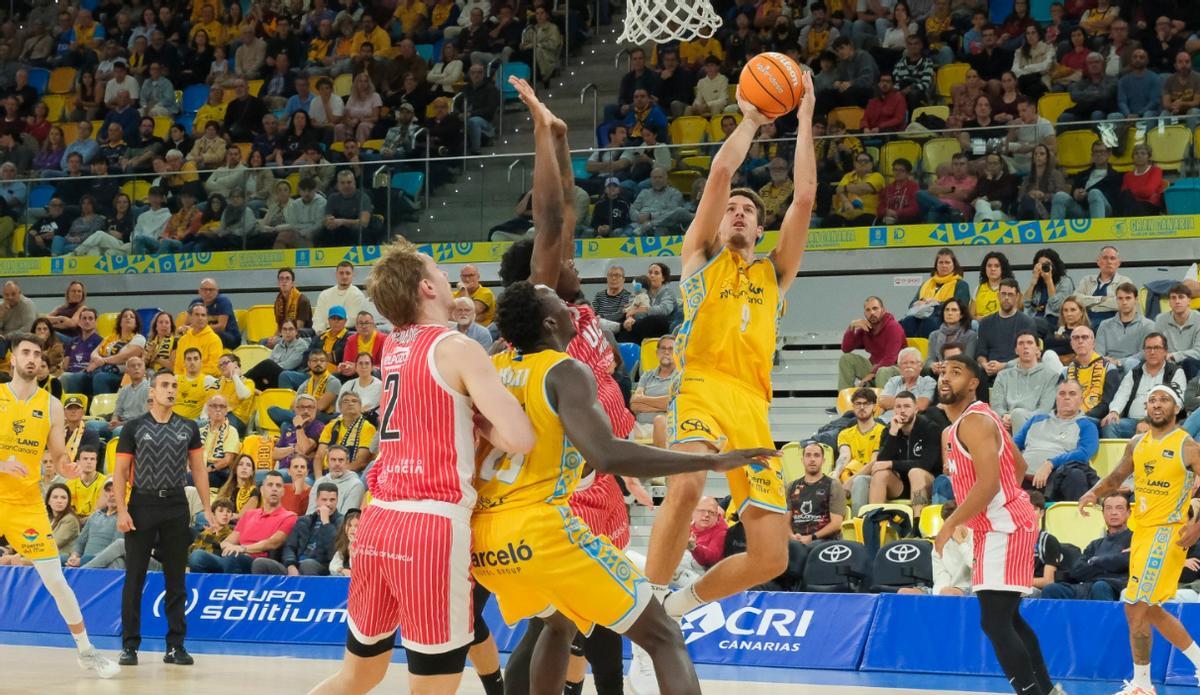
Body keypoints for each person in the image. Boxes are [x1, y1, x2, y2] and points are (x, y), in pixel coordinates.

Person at [477, 280, 775, 693]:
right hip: (539, 530)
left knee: (560, 623)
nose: (571, 309)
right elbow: (608, 455)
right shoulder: (563, 370)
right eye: (560, 305)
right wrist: (710, 460)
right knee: (664, 634)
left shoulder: (493, 368)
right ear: (549, 322)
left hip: (486, 542)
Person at [616, 65, 813, 687]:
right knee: (689, 477)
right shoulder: (699, 260)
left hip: (753, 406)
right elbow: (722, 173)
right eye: (729, 209)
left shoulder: (775, 274)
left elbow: (804, 198)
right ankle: (647, 619)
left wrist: (805, 116)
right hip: (699, 385)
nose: (736, 212)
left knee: (771, 556)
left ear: (759, 227)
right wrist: (753, 121)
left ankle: (677, 606)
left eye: (747, 212)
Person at [309, 238, 535, 695]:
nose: (449, 278)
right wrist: (481, 418)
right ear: (427, 289)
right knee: (432, 686)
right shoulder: (457, 347)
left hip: (376, 522)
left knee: (358, 675)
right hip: (430, 527)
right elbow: (520, 438)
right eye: (439, 271)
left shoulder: (393, 345)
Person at [0, 333, 120, 678]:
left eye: (37, 353)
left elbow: (58, 454)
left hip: (25, 503)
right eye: (25, 352)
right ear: (13, 359)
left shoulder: (51, 405)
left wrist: (67, 466)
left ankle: (86, 651)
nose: (32, 358)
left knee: (55, 579)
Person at [934, 356, 1053, 695]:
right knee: (1009, 618)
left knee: (995, 621)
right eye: (944, 371)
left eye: (957, 373)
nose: (946, 378)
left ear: (974, 383)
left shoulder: (974, 422)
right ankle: (1045, 691)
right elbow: (1017, 465)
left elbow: (987, 485)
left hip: (1005, 526)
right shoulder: (960, 426)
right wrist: (997, 506)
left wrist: (951, 524)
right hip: (996, 525)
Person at [1079, 382, 1200, 695]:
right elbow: (1118, 477)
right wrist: (1093, 492)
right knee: (1152, 609)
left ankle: (1143, 685)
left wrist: (1198, 525)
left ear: (1176, 408)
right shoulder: (1136, 442)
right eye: (1151, 400)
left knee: (1135, 605)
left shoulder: (1187, 445)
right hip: (1143, 532)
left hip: (1168, 532)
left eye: (1163, 400)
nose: (1156, 404)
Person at [113, 369, 212, 667]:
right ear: (152, 392)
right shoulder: (133, 427)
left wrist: (207, 507)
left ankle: (175, 646)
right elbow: (119, 472)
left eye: (174, 386)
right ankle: (129, 646)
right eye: (165, 385)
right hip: (141, 503)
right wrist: (121, 509)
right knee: (134, 577)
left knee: (176, 578)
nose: (171, 390)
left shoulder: (188, 427)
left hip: (175, 504)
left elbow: (198, 469)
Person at [188, 471, 297, 574]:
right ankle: (209, 592)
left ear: (283, 492)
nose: (274, 489)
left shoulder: (289, 516)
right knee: (197, 557)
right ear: (262, 490)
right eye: (270, 485)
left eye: (278, 486)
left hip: (259, 562)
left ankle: (230, 591)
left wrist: (243, 549)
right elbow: (227, 542)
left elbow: (273, 542)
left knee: (232, 557)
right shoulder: (249, 514)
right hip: (234, 557)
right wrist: (230, 547)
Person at [1015, 380, 1100, 502]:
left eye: (1072, 394)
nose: (1066, 397)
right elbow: (1012, 446)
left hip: (1056, 479)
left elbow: (1083, 454)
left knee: (1076, 475)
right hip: (1022, 477)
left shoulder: (1087, 426)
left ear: (1081, 400)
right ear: (1056, 398)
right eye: (1062, 393)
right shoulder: (1036, 420)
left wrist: (1050, 464)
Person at [861, 391, 943, 516]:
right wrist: (893, 433)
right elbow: (882, 461)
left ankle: (917, 523)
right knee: (880, 474)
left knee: (915, 472)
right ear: (894, 409)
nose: (902, 410)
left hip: (927, 481)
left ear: (916, 409)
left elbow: (926, 464)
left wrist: (892, 464)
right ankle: (874, 523)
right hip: (901, 485)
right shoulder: (889, 429)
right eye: (898, 407)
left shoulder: (930, 428)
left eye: (907, 406)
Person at [1040, 494, 1131, 601]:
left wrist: (1095, 561)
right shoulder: (1095, 544)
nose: (1113, 512)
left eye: (1119, 508)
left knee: (1100, 586)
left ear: (1129, 513)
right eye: (1108, 508)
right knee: (1052, 589)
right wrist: (1108, 563)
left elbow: (1126, 561)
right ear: (1103, 513)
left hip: (1116, 586)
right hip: (1088, 585)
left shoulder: (1136, 539)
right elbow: (1077, 571)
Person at [1101, 333, 1187, 438]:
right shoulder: (1135, 372)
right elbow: (1122, 395)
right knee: (1109, 424)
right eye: (1148, 348)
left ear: (1165, 351)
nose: (1152, 352)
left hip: (1161, 422)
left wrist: (1150, 421)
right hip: (1132, 422)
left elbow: (1178, 403)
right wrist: (1114, 411)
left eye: (1157, 348)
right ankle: (1118, 455)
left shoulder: (1175, 372)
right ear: (1144, 351)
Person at [253, 481, 342, 575]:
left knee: (307, 564)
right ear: (317, 500)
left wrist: (326, 523)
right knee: (260, 563)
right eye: (324, 500)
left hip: (321, 568)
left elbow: (333, 553)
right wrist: (291, 565)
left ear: (337, 501)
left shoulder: (342, 522)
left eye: (332, 500)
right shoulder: (304, 521)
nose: (328, 504)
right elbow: (289, 546)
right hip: (295, 567)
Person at [991, 332, 1059, 434]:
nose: (1025, 346)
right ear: (1016, 350)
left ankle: (1019, 449)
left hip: (1036, 424)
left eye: (1030, 343)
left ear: (1037, 349)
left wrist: (1015, 418)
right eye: (1021, 343)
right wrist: (1004, 416)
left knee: (1018, 414)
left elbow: (1045, 409)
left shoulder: (1051, 376)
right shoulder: (1003, 375)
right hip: (1005, 423)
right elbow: (996, 405)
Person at [900, 248, 972, 338]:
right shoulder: (926, 284)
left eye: (947, 262)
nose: (944, 266)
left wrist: (936, 303)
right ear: (936, 265)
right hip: (921, 315)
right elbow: (911, 305)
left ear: (954, 265)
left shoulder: (961, 284)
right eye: (941, 262)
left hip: (943, 317)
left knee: (929, 322)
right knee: (907, 322)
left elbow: (961, 306)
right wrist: (920, 302)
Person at [837, 296, 906, 389]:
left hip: (895, 368)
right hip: (875, 367)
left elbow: (890, 358)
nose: (872, 313)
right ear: (864, 313)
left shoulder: (893, 327)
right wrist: (851, 327)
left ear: (883, 309)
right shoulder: (866, 327)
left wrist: (870, 375)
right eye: (868, 310)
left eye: (875, 308)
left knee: (882, 371)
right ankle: (845, 400)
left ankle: (882, 403)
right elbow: (846, 348)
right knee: (846, 359)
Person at [976, 279, 1037, 380]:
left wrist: (1003, 366)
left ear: (1017, 297)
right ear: (998, 296)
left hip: (1018, 372)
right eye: (1003, 294)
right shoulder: (985, 322)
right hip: (989, 374)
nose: (1006, 298)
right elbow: (981, 353)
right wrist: (985, 364)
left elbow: (1030, 354)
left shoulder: (1027, 322)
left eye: (1010, 294)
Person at [789, 441, 846, 544]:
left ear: (823, 460)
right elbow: (784, 521)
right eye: (808, 455)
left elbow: (836, 523)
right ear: (802, 460)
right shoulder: (791, 487)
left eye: (816, 455)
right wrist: (791, 536)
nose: (812, 459)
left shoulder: (833, 485)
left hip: (823, 540)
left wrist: (812, 537)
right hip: (796, 540)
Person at [1096, 283, 1155, 372]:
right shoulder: (1104, 325)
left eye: (1128, 298)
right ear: (1116, 300)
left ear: (1136, 300)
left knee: (1131, 363)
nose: (1124, 302)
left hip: (1134, 367)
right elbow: (1098, 353)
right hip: (1108, 367)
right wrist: (1109, 362)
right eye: (1120, 298)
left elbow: (1144, 352)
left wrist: (1120, 362)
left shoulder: (1148, 325)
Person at [1065, 326, 1120, 422]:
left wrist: (1080, 416)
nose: (1080, 341)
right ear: (1071, 344)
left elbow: (1107, 404)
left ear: (1093, 343)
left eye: (1085, 337)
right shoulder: (1065, 371)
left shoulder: (1109, 369)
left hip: (1094, 419)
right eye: (1076, 338)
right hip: (1067, 418)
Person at [315, 393, 377, 474]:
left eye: (354, 401)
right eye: (346, 401)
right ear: (340, 408)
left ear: (360, 408)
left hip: (351, 473)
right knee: (306, 481)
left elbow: (361, 461)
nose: (350, 403)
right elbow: (319, 456)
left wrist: (336, 475)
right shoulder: (331, 426)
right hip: (326, 472)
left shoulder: (367, 428)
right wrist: (318, 478)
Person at [835, 388, 886, 484]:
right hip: (849, 474)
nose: (862, 407)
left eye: (866, 403)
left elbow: (875, 461)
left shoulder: (883, 431)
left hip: (871, 476)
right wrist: (835, 476)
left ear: (874, 407)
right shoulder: (845, 433)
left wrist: (850, 481)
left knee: (860, 481)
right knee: (830, 479)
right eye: (858, 404)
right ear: (853, 407)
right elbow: (844, 456)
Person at [1076, 246, 1133, 326]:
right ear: (1098, 262)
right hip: (1085, 327)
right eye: (1105, 258)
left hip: (1114, 327)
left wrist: (1090, 303)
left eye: (1112, 258)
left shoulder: (1124, 281)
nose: (1109, 261)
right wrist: (1102, 299)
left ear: (1118, 263)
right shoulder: (1087, 280)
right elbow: (1076, 300)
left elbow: (1120, 304)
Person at [1156, 285, 1200, 379]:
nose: (1177, 301)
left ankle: (1189, 393)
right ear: (1169, 302)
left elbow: (1198, 352)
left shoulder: (1198, 320)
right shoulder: (1161, 319)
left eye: (1181, 297)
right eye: (1173, 298)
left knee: (1188, 362)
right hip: (1168, 363)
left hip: (1193, 364)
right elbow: (1156, 345)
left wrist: (1174, 356)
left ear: (1189, 301)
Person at [313, 261, 368, 334]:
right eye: (341, 273)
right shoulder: (324, 294)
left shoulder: (358, 295)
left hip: (346, 333)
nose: (344, 276)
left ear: (353, 275)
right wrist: (320, 333)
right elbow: (318, 319)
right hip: (324, 333)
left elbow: (352, 320)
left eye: (348, 273)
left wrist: (332, 330)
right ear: (336, 274)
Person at [173, 304, 222, 377]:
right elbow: (177, 367)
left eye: (203, 315)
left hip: (205, 381)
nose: (200, 318)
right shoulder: (183, 340)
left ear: (207, 319)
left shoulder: (214, 339)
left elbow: (215, 368)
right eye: (197, 315)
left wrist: (192, 376)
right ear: (191, 317)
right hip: (183, 381)